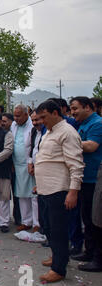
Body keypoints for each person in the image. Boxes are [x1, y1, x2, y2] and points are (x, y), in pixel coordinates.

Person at [35, 100, 84, 283]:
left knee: (58, 230)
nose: (41, 121)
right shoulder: (49, 132)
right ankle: (57, 256)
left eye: (44, 117)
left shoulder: (67, 132)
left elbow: (76, 165)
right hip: (45, 189)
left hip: (59, 190)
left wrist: (73, 191)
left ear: (56, 113)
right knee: (46, 225)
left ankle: (59, 269)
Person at [69, 96, 102, 272]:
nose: (73, 112)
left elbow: (91, 146)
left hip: (95, 179)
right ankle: (89, 252)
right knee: (87, 218)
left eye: (75, 108)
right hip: (84, 178)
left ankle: (98, 258)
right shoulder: (82, 124)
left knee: (96, 219)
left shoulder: (97, 123)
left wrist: (69, 143)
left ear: (88, 107)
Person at [11, 105, 36, 231]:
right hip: (17, 165)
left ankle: (37, 223)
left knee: (33, 195)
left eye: (18, 115)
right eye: (14, 115)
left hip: (29, 164)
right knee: (21, 195)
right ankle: (26, 221)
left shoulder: (32, 126)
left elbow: (33, 146)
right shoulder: (14, 126)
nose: (16, 118)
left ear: (26, 115)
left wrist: (31, 162)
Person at [27, 111, 45, 233]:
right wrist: (30, 163)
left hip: (44, 169)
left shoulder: (47, 132)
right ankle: (36, 223)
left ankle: (43, 226)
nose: (35, 123)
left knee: (43, 199)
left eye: (37, 120)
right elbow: (31, 148)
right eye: (32, 120)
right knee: (35, 197)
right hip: (34, 168)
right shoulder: (34, 131)